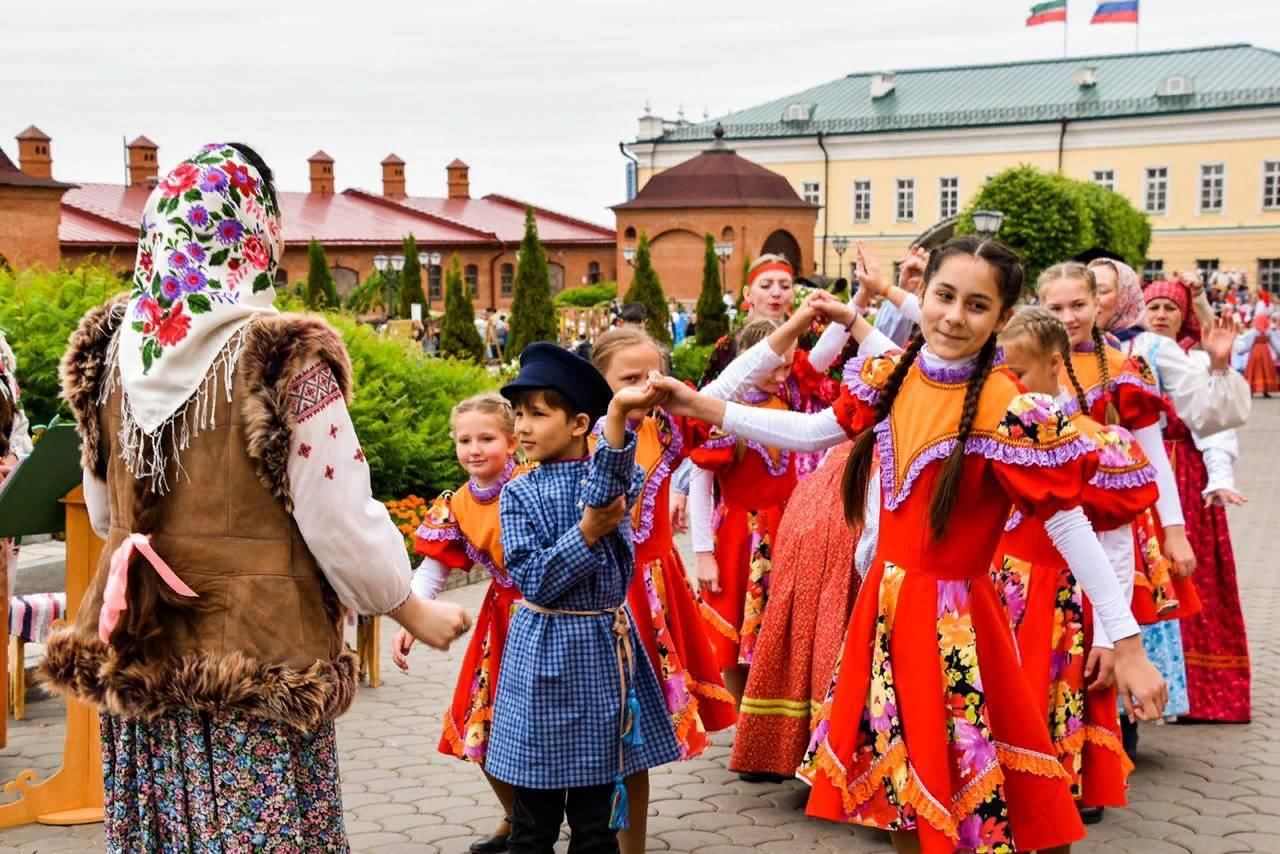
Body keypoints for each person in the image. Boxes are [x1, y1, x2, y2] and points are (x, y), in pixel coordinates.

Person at [651, 237, 1167, 854]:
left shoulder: (1015, 411)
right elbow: (815, 431)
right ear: (922, 294)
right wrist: (700, 403)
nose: (954, 316)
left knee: (1003, 795)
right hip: (886, 612)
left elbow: (1068, 525)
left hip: (959, 627)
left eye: (977, 306)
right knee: (897, 795)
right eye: (944, 296)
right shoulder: (894, 374)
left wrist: (1126, 642)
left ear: (1003, 319)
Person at [39, 144, 471, 851]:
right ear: (257, 231)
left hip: (143, 644)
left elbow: (104, 512)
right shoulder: (283, 354)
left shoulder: (112, 351)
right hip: (256, 657)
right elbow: (337, 512)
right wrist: (408, 606)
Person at [487, 343, 679, 854]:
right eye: (519, 414)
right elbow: (535, 581)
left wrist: (617, 412)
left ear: (578, 424)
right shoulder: (517, 492)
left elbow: (610, 476)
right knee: (534, 823)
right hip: (543, 656)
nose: (522, 427)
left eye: (537, 413)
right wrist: (588, 533)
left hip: (600, 655)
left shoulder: (615, 479)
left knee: (596, 822)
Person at [995, 307, 1159, 817]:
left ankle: (1058, 790)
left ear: (1054, 364)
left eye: (1018, 373)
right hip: (1000, 589)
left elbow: (1113, 546)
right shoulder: (997, 431)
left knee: (1057, 691)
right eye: (1001, 371)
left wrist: (1111, 638)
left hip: (1062, 599)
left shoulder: (1095, 440)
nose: (1009, 383)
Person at [588, 328, 737, 853]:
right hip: (594, 599)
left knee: (631, 735)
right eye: (630, 378)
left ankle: (632, 846)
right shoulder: (578, 434)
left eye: (653, 375)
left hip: (651, 595)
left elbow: (730, 390)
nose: (646, 388)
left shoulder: (665, 429)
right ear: (598, 382)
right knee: (589, 725)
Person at [392, 393, 527, 854]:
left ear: (511, 442)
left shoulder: (534, 484)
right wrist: (412, 615)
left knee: (547, 720)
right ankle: (515, 817)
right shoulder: (458, 504)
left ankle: (581, 817)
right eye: (464, 439)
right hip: (499, 622)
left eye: (486, 438)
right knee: (478, 720)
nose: (474, 448)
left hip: (547, 616)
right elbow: (433, 568)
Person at [1143, 279, 1251, 724]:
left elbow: (1214, 430)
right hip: (1143, 476)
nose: (1162, 315)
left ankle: (1204, 691)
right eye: (1155, 307)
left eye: (1171, 307)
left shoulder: (1193, 358)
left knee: (1191, 581)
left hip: (1185, 478)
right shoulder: (1134, 356)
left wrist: (1219, 478)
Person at [689, 318, 799, 705]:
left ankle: (777, 720)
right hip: (740, 534)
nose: (785, 374)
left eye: (790, 365)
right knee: (737, 625)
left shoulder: (788, 398)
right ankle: (741, 720)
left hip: (787, 527)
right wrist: (703, 553)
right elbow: (701, 482)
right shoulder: (723, 412)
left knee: (781, 627)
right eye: (777, 366)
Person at [1240, 309, 1280, 396]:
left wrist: (1241, 351)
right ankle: (1265, 390)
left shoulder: (1254, 332)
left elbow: (1248, 344)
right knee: (1266, 369)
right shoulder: (1268, 331)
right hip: (1266, 353)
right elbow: (1274, 344)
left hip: (1256, 352)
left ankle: (1251, 391)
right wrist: (1278, 353)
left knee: (1254, 370)